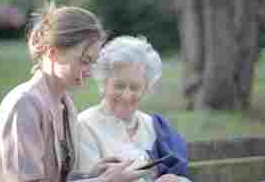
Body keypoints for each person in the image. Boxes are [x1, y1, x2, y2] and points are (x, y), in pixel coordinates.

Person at [0, 5, 149, 182]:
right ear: (53, 53)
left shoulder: (65, 105)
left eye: (93, 62)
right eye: (84, 61)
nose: (89, 71)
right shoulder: (23, 105)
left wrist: (93, 175)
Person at [77, 36, 191, 182]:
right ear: (104, 83)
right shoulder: (85, 125)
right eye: (119, 86)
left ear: (145, 89)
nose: (126, 95)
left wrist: (175, 180)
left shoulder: (154, 126)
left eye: (135, 87)